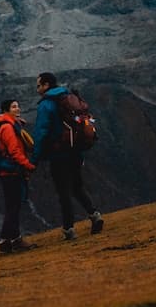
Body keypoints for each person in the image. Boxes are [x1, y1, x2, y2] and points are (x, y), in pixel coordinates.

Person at [32, 72, 104, 240]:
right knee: (77, 186)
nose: (37, 89)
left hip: (58, 153)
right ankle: (94, 214)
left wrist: (35, 157)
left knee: (63, 191)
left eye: (38, 85)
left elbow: (41, 131)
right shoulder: (70, 98)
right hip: (76, 150)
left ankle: (69, 229)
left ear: (46, 85)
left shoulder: (47, 104)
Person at [0, 98, 36, 254]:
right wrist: (28, 165)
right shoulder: (8, 128)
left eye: (18, 106)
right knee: (13, 207)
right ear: (6, 110)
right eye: (14, 107)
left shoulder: (9, 125)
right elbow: (15, 151)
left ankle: (11, 240)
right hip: (11, 172)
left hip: (9, 172)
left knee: (13, 206)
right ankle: (8, 241)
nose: (18, 109)